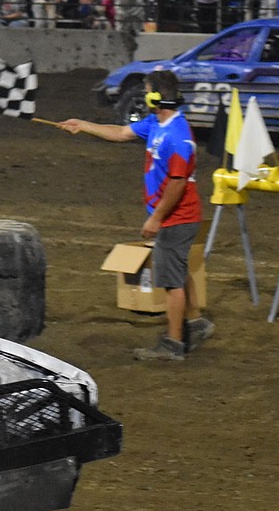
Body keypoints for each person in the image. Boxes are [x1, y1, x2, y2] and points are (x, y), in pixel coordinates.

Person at [59, 70, 211, 361]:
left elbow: (178, 184)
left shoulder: (178, 137)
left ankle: (174, 345)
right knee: (178, 269)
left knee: (171, 281)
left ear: (156, 97)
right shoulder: (157, 122)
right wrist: (84, 125)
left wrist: (156, 219)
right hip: (178, 216)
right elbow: (121, 132)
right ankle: (196, 322)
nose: (144, 97)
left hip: (176, 217)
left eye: (147, 92)